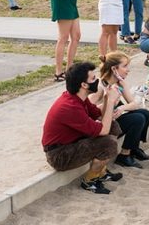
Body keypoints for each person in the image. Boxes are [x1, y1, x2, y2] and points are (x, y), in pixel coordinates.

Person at [40, 61, 123, 195]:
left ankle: (101, 172)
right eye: (93, 79)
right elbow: (103, 130)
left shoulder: (79, 98)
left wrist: (108, 98)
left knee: (113, 126)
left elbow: (100, 116)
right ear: (84, 85)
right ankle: (89, 181)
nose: (97, 81)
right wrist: (112, 102)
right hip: (59, 155)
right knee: (108, 144)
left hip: (71, 142)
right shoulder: (70, 107)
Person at [96, 52, 149, 168]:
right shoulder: (100, 87)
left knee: (145, 113)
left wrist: (122, 107)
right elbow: (90, 112)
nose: (128, 70)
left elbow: (134, 104)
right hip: (104, 125)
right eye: (125, 66)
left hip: (114, 120)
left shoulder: (119, 83)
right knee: (137, 118)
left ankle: (134, 148)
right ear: (114, 68)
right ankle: (124, 155)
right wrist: (109, 103)